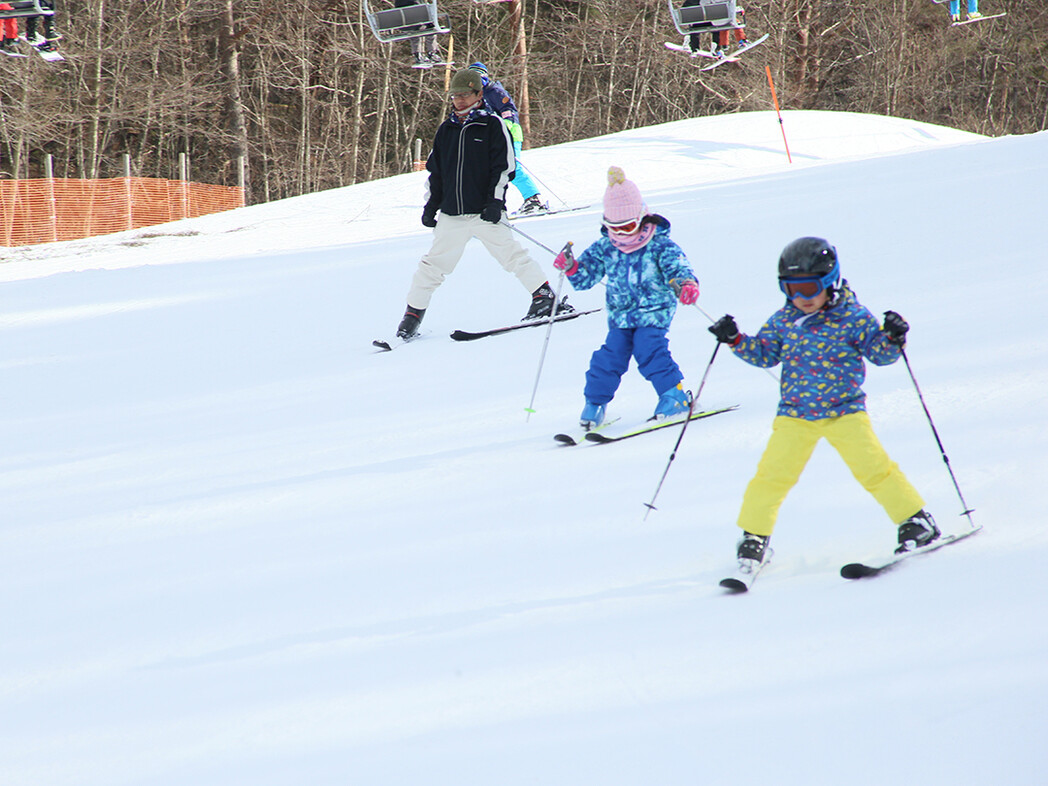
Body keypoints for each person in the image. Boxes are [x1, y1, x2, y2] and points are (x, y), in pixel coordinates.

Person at [707, 237, 940, 572]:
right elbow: (765, 354)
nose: (800, 298)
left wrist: (892, 337)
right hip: (796, 415)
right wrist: (736, 340)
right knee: (771, 476)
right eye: (791, 289)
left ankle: (917, 522)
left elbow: (879, 354)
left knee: (874, 469)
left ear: (829, 282)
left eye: (808, 288)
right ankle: (754, 537)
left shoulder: (854, 317)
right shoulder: (783, 320)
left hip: (844, 411)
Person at [395, 69, 568, 340]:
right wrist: (431, 206)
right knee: (432, 265)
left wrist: (494, 201)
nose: (460, 100)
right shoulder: (446, 129)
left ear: (478, 95)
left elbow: (504, 167)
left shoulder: (492, 125)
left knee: (511, 255)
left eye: (465, 95)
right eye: (455, 96)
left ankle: (545, 296)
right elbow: (436, 173)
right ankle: (412, 315)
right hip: (452, 214)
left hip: (485, 211)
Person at [553, 167, 699, 427]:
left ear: (643, 218)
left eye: (629, 226)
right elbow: (586, 278)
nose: (622, 235)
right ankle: (594, 405)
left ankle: (673, 396)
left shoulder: (659, 244)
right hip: (621, 316)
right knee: (609, 357)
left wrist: (685, 284)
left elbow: (678, 268)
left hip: (654, 311)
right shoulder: (606, 246)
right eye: (614, 228)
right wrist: (572, 266)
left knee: (649, 349)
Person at [467, 62, 547, 216]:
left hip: (510, 133)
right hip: (492, 137)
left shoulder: (494, 91)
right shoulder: (474, 98)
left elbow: (508, 109)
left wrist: (504, 127)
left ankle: (534, 200)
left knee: (512, 167)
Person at [682, 0, 748, 58]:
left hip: (705, 21)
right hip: (719, 21)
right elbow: (731, 8)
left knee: (696, 27)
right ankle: (739, 41)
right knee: (729, 23)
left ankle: (694, 48)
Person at [393, 0, 442, 66]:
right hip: (416, 22)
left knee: (414, 32)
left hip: (402, 25)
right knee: (431, 27)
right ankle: (432, 52)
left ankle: (418, 55)